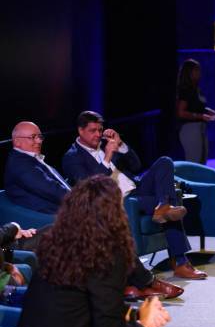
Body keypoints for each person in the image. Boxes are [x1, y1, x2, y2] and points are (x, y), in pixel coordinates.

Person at [4, 121, 184, 299]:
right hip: (49, 219)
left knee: (164, 174)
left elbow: (135, 165)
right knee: (105, 224)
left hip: (77, 209)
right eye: (32, 137)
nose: (38, 141)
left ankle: (133, 281)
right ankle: (143, 281)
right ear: (17, 141)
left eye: (39, 136)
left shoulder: (32, 160)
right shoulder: (21, 164)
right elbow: (52, 191)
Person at [18, 175, 171, 327]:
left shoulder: (54, 239)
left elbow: (86, 302)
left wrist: (138, 314)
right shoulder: (108, 253)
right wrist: (144, 326)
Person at [62, 111, 207, 280]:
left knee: (165, 162)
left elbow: (136, 165)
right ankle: (181, 262)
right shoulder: (71, 157)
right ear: (80, 131)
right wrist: (108, 156)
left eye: (100, 130)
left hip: (137, 189)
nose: (98, 134)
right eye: (92, 130)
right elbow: (91, 187)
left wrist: (121, 144)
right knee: (171, 206)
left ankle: (163, 205)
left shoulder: (106, 143)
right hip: (118, 200)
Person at [176, 59, 215, 164]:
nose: (199, 73)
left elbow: (198, 107)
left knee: (202, 162)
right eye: (196, 70)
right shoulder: (186, 90)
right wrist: (200, 116)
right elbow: (180, 112)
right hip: (190, 129)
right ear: (189, 72)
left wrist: (210, 112)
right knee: (194, 163)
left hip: (201, 128)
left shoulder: (196, 89)